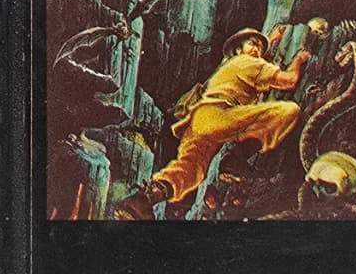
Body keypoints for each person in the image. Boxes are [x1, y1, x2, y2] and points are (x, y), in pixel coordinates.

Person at [114, 26, 309, 220]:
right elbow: (288, 81)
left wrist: (271, 39)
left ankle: (141, 201)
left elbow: (252, 62)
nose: (257, 49)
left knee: (190, 170)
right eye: (252, 44)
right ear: (238, 50)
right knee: (288, 111)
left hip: (200, 120)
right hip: (221, 116)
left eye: (259, 46)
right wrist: (299, 59)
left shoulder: (228, 65)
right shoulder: (250, 62)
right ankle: (236, 158)